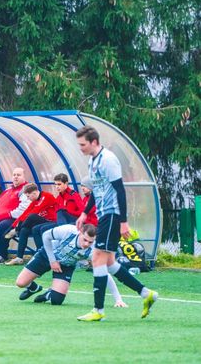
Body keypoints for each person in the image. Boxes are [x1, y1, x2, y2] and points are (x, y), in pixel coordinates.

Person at [75, 125, 157, 321]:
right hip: (104, 215)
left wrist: (123, 221)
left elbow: (120, 190)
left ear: (94, 142)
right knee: (110, 262)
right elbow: (97, 190)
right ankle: (146, 293)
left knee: (97, 258)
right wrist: (85, 213)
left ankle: (98, 310)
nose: (81, 148)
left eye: (83, 144)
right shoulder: (92, 160)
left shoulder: (108, 160)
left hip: (112, 215)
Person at [15, 224, 127, 308]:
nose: (86, 244)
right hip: (48, 255)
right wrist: (52, 260)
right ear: (80, 232)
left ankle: (49, 294)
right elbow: (46, 235)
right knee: (20, 283)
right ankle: (33, 288)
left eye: (90, 242)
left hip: (66, 265)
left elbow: (104, 273)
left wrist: (118, 299)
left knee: (56, 301)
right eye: (85, 240)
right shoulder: (68, 231)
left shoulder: (94, 250)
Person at [5, 183, 57, 265]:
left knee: (32, 217)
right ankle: (19, 257)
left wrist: (16, 227)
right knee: (24, 230)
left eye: (28, 196)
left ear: (34, 193)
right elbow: (25, 213)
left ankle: (41, 256)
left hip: (51, 221)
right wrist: (13, 226)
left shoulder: (47, 196)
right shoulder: (35, 200)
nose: (28, 199)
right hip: (41, 221)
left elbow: (34, 212)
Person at [30, 173, 84, 252]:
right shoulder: (58, 198)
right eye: (55, 184)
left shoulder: (74, 195)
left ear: (66, 183)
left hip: (72, 222)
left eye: (59, 184)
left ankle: (51, 251)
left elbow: (82, 212)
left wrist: (68, 211)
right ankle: (42, 253)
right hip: (60, 222)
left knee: (46, 227)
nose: (57, 187)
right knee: (36, 229)